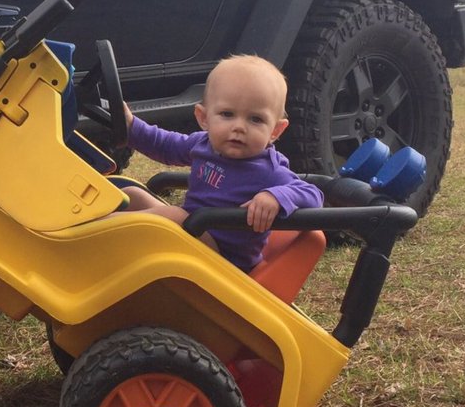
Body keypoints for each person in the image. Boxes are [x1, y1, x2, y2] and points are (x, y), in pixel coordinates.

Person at [121, 54, 322, 271]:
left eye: (255, 119)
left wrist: (276, 196)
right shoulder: (204, 144)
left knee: (176, 216)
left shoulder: (268, 169)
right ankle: (106, 233)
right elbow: (164, 145)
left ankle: (93, 233)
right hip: (195, 233)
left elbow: (314, 195)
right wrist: (130, 125)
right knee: (133, 194)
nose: (239, 127)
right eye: (227, 114)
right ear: (204, 118)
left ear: (275, 130)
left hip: (225, 263)